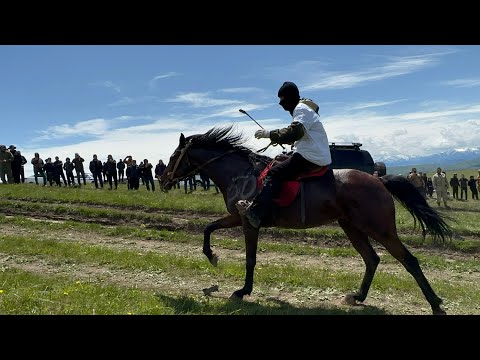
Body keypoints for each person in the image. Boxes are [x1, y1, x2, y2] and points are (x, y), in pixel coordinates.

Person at [238, 81, 332, 228]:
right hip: (311, 154)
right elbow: (299, 136)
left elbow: (295, 132)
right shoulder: (303, 109)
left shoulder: (301, 109)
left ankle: (256, 213)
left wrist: (270, 134)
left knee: (274, 172)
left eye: (282, 99)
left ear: (290, 97)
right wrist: (285, 140)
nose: (281, 103)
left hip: (311, 157)